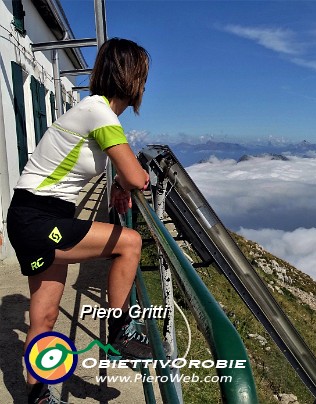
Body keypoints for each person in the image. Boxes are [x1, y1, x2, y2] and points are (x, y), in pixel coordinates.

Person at [6, 38, 152, 404]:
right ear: (132, 78)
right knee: (130, 242)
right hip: (39, 217)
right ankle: (121, 329)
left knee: (45, 315)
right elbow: (137, 178)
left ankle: (37, 395)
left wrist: (119, 180)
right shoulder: (99, 113)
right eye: (143, 77)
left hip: (36, 214)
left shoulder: (93, 111)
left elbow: (119, 173)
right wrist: (128, 181)